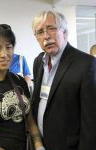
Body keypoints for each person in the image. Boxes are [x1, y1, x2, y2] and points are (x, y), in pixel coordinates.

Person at [31, 10, 96, 149]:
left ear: (64, 32)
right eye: (40, 32)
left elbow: (91, 121)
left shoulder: (86, 64)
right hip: (41, 144)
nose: (46, 36)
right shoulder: (38, 62)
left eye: (51, 28)